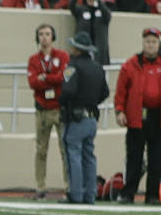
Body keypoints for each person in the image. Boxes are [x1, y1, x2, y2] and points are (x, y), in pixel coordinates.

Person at [113, 25, 161, 204]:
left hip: (158, 118)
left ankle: (152, 195)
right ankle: (128, 193)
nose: (150, 45)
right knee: (134, 157)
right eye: (148, 41)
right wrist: (119, 111)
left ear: (158, 44)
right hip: (136, 117)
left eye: (154, 42)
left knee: (156, 159)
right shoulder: (131, 65)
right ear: (143, 43)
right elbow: (120, 91)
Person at [60, 31, 107, 205]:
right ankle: (90, 194)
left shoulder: (72, 66)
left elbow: (68, 90)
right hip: (92, 118)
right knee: (89, 155)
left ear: (77, 49)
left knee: (73, 155)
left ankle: (76, 193)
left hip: (76, 117)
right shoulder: (97, 67)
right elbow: (105, 92)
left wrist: (63, 103)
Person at [27, 23, 69, 200]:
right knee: (41, 149)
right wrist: (49, 80)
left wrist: (46, 78)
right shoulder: (33, 60)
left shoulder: (62, 56)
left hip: (59, 108)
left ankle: (69, 185)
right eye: (41, 34)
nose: (44, 37)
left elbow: (63, 77)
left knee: (64, 149)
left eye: (48, 34)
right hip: (42, 110)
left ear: (53, 37)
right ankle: (40, 185)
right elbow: (33, 83)